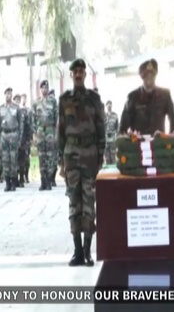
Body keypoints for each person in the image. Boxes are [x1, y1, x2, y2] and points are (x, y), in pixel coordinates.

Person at [58, 59, 105, 267]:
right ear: (71, 75)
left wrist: (100, 156)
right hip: (71, 157)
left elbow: (101, 129)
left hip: (89, 156)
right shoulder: (64, 100)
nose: (78, 74)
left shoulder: (94, 99)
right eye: (75, 71)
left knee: (89, 204)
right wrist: (61, 161)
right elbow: (60, 132)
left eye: (81, 71)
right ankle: (77, 251)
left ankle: (87, 251)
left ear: (85, 75)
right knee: (73, 204)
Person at [119, 59, 174, 135]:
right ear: (142, 77)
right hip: (137, 143)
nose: (149, 79)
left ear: (155, 76)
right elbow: (124, 124)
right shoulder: (132, 97)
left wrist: (171, 138)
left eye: (152, 76)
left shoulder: (165, 95)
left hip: (158, 143)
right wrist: (124, 140)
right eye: (146, 76)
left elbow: (172, 118)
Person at [32, 80, 58, 190]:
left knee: (50, 157)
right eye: (42, 88)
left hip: (50, 132)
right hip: (40, 133)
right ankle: (43, 181)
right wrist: (35, 133)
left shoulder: (53, 102)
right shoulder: (36, 103)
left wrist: (56, 133)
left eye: (46, 88)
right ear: (40, 89)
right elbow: (33, 119)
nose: (44, 90)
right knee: (41, 157)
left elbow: (57, 118)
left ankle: (49, 180)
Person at [0, 87, 23, 192]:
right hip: (4, 135)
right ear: (4, 95)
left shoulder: (16, 108)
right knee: (5, 160)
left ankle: (13, 182)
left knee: (13, 159)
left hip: (13, 134)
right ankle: (7, 182)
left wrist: (19, 138)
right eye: (7, 93)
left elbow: (21, 124)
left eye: (10, 93)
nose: (8, 95)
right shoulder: (0, 108)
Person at [13, 93, 32, 187]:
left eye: (18, 100)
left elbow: (28, 126)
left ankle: (21, 179)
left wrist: (29, 138)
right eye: (15, 100)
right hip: (13, 139)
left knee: (22, 161)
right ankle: (15, 179)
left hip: (23, 140)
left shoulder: (24, 112)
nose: (17, 101)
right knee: (14, 160)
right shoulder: (11, 112)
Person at [104, 100, 119, 165]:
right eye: (108, 104)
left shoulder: (115, 115)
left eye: (110, 104)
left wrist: (117, 137)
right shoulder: (103, 116)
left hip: (113, 139)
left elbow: (117, 128)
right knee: (107, 157)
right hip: (105, 139)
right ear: (106, 106)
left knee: (113, 157)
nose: (109, 105)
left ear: (112, 106)